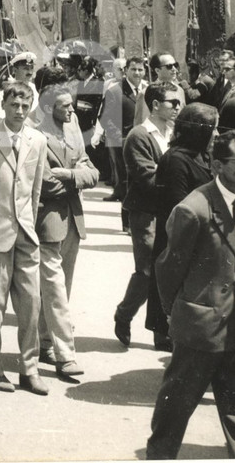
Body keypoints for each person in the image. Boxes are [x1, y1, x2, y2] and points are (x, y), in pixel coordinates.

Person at [146, 131, 235, 459]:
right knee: (176, 407)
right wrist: (177, 312)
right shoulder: (193, 209)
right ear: (217, 165)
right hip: (201, 329)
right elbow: (168, 267)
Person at [0, 82, 50, 396]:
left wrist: (29, 225)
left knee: (31, 305)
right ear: (2, 105)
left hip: (26, 234)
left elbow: (36, 190)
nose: (19, 111)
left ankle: (30, 370)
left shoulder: (38, 140)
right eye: (14, 105)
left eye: (25, 106)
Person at [36, 86, 98, 377]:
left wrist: (71, 174)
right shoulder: (35, 134)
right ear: (49, 108)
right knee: (55, 288)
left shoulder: (73, 130)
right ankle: (65, 355)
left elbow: (93, 172)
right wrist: (76, 180)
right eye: (65, 106)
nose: (72, 110)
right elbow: (44, 183)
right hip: (47, 221)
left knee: (61, 288)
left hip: (73, 219)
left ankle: (45, 343)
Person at [146, 103, 217, 352]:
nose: (216, 134)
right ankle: (164, 333)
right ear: (199, 131)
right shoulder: (176, 159)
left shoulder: (202, 155)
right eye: (213, 129)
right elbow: (178, 203)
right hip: (177, 236)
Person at [115, 83, 181, 348]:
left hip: (169, 213)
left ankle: (161, 331)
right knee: (146, 271)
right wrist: (176, 179)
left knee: (165, 272)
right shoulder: (139, 136)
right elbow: (147, 177)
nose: (177, 107)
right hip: (146, 213)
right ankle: (124, 314)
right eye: (172, 103)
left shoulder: (174, 133)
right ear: (155, 105)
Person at [93, 56, 146, 206]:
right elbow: (105, 117)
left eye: (140, 69)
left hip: (142, 140)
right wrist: (119, 137)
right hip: (121, 140)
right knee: (123, 176)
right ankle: (125, 209)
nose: (137, 73)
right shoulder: (115, 90)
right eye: (133, 69)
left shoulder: (147, 90)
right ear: (126, 70)